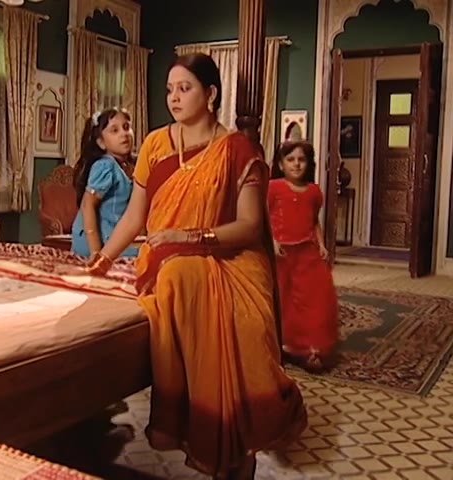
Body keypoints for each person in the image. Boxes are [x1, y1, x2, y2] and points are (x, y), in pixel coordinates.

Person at [81, 54, 307, 479]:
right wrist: (105, 258)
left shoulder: (238, 150)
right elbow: (135, 216)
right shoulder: (155, 144)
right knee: (176, 276)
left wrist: (191, 237)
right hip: (169, 259)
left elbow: (249, 226)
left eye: (184, 88)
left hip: (232, 258)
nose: (174, 98)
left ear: (211, 93)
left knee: (243, 321)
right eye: (169, 90)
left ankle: (237, 445)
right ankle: (210, 429)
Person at [268, 141, 339, 372]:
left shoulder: (313, 192)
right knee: (285, 300)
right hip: (282, 254)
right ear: (281, 164)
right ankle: (287, 345)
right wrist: (273, 240)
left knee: (316, 297)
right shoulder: (273, 187)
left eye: (301, 160)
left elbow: (313, 221)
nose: (296, 164)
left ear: (308, 163)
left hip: (307, 252)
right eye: (290, 160)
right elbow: (264, 217)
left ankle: (312, 347)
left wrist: (322, 244)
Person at [71, 108, 138, 258]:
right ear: (101, 143)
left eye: (126, 127)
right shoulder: (105, 166)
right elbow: (87, 205)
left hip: (115, 233)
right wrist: (96, 252)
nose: (124, 134)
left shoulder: (129, 165)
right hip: (97, 238)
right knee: (148, 255)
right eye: (114, 130)